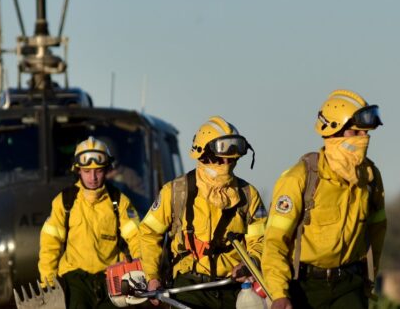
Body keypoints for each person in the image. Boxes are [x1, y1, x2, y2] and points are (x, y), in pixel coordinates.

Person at [262, 90, 388, 309]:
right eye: (356, 133)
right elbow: (274, 243)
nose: (364, 139)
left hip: (350, 285)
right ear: (333, 132)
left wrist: (369, 280)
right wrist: (278, 293)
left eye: (366, 133)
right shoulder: (299, 178)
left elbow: (377, 234)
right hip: (304, 286)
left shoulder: (370, 178)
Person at [138, 116, 267, 309]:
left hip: (234, 289)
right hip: (188, 289)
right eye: (221, 158)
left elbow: (261, 240)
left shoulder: (249, 195)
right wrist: (153, 278)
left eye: (232, 159)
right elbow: (149, 233)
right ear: (203, 155)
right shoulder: (175, 192)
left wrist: (251, 263)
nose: (227, 163)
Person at [38, 137, 143, 309]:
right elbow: (50, 244)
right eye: (87, 171)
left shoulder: (120, 201)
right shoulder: (64, 201)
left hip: (112, 280)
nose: (93, 177)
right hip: (74, 281)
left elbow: (136, 237)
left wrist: (141, 269)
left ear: (107, 170)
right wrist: (48, 283)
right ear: (78, 170)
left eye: (98, 171)